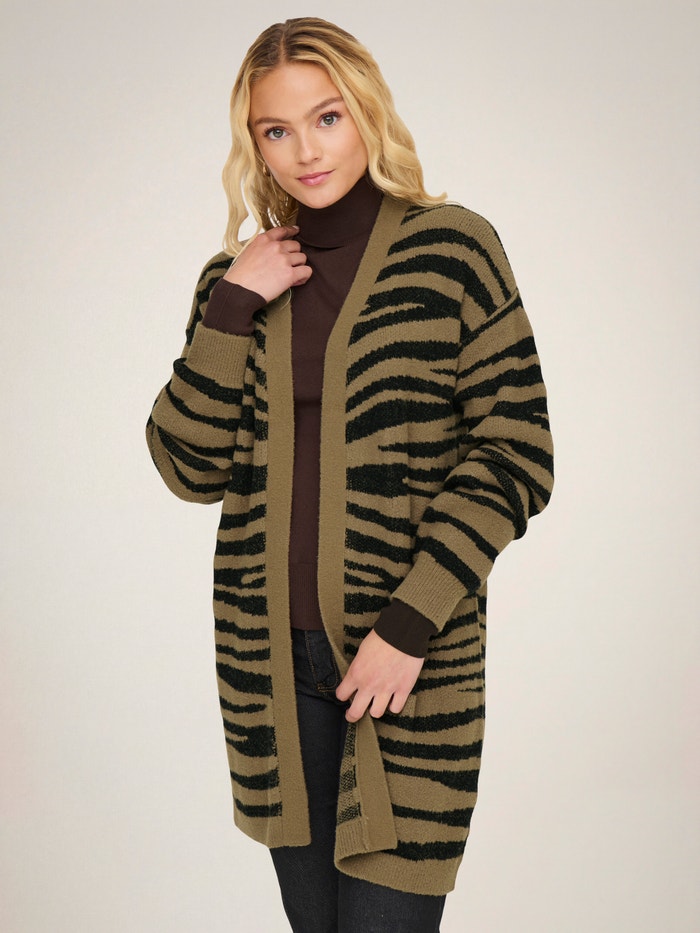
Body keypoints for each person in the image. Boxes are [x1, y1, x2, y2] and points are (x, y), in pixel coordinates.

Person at [146, 17, 554, 933]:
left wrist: (409, 623)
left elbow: (515, 449)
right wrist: (231, 306)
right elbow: (187, 464)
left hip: (409, 665)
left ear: (366, 110)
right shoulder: (236, 280)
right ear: (254, 144)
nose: (306, 150)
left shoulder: (452, 250)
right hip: (270, 669)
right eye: (276, 130)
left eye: (326, 117)